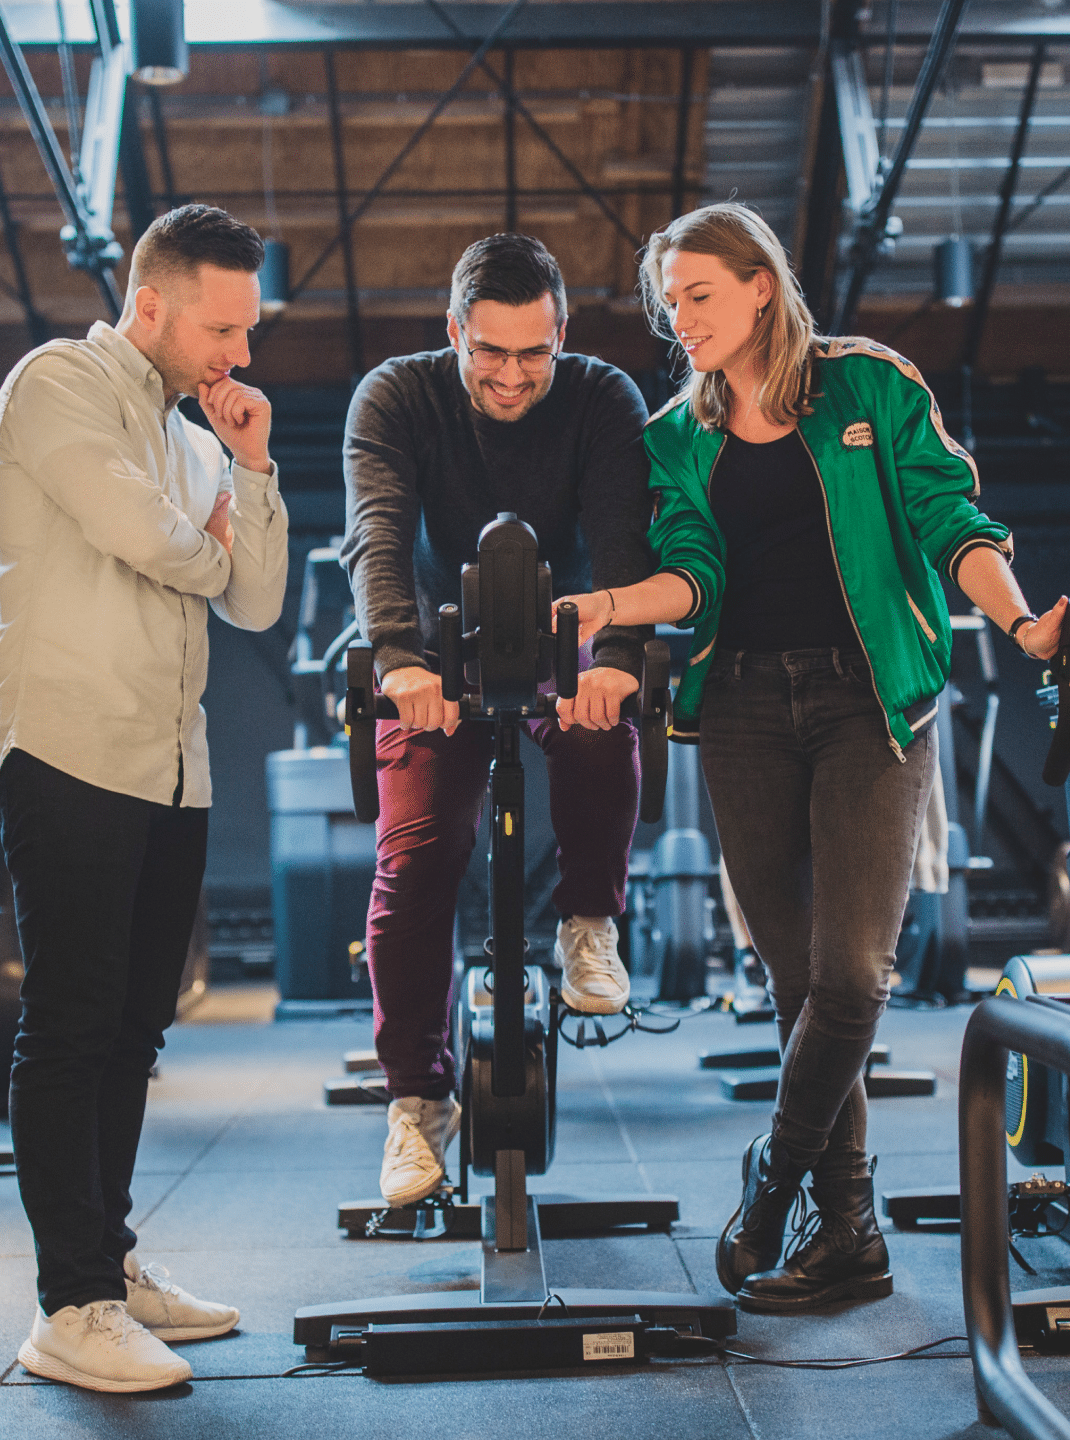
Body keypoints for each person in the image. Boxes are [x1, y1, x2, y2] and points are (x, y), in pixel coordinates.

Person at [555, 202, 1070, 1315]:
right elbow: (694, 575)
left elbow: (953, 522)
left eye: (699, 294)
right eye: (671, 304)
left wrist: (1025, 624)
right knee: (795, 984)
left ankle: (772, 1190)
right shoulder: (677, 435)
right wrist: (608, 604)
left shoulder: (870, 387)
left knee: (851, 978)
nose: (681, 318)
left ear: (763, 285)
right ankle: (851, 1232)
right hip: (745, 709)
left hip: (872, 709)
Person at [0, 205, 289, 1390]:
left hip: (172, 761)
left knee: (139, 1026)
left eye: (248, 330)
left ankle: (106, 1265)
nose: (240, 357)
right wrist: (198, 540)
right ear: (150, 303)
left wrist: (250, 468)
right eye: (222, 328)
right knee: (69, 1020)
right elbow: (149, 540)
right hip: (67, 745)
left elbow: (254, 601)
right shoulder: (52, 384)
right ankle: (69, 1304)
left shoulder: (204, 440)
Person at [340, 233, 654, 1209]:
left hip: (567, 635)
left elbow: (624, 541)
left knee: (603, 725)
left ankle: (590, 923)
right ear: (455, 332)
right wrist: (395, 660)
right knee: (417, 853)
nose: (515, 376)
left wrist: (620, 665)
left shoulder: (602, 398)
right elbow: (377, 532)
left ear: (562, 333)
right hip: (433, 652)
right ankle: (414, 1104)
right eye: (491, 352)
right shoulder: (398, 395)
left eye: (535, 352)